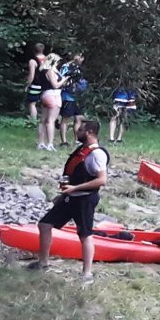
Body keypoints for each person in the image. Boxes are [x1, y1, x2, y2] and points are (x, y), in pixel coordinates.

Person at [34, 118, 109, 282]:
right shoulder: (82, 149)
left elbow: (102, 180)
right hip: (71, 197)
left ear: (89, 132)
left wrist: (74, 189)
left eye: (81, 129)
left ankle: (87, 274)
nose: (77, 131)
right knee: (45, 224)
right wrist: (64, 195)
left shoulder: (96, 154)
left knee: (85, 234)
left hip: (85, 200)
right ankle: (43, 263)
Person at [33, 55, 61, 152]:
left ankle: (41, 143)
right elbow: (55, 85)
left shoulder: (42, 70)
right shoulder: (50, 71)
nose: (58, 63)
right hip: (54, 95)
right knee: (51, 121)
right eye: (57, 61)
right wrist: (64, 80)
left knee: (43, 120)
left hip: (44, 95)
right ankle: (50, 144)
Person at [58, 55, 86, 144]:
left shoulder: (79, 68)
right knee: (65, 118)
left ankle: (77, 139)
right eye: (79, 56)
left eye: (82, 57)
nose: (80, 59)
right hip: (67, 96)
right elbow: (61, 78)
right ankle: (64, 141)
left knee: (78, 118)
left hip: (77, 96)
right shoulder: (66, 66)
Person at [23, 44, 49, 126]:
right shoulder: (47, 60)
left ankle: (33, 121)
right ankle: (46, 121)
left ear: (34, 50)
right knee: (45, 105)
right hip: (47, 85)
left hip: (36, 85)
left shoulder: (33, 61)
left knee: (32, 104)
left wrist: (27, 85)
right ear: (43, 50)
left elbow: (32, 75)